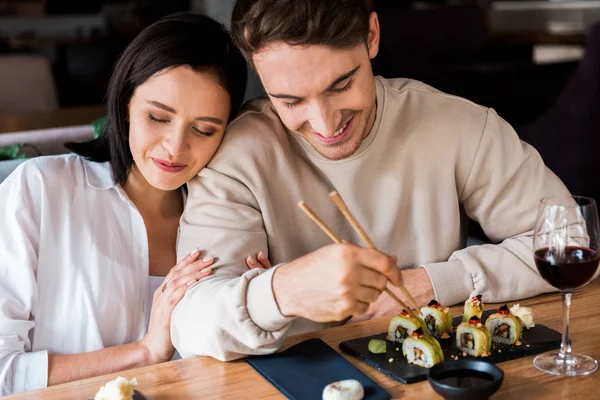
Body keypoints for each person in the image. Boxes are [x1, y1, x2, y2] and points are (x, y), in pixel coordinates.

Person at [171, 0, 571, 362]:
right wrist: (282, 292)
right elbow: (189, 328)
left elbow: (571, 242)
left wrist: (433, 282)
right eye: (291, 101)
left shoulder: (460, 127)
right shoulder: (236, 157)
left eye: (341, 85)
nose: (326, 125)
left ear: (372, 36)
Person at [0, 12, 269, 395]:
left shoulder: (232, 221)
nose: (175, 147)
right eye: (158, 117)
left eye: (204, 129)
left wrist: (257, 310)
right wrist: (143, 352)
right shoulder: (39, 191)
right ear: (126, 102)